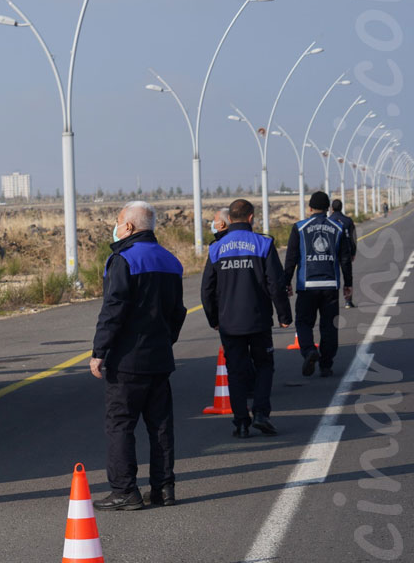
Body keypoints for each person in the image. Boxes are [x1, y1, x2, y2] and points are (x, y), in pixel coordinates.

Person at [90, 201, 186, 510]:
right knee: (159, 426)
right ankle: (163, 488)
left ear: (128, 226)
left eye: (118, 222)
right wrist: (165, 340)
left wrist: (99, 351)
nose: (116, 227)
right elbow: (178, 312)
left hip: (127, 360)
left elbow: (114, 309)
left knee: (120, 424)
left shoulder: (123, 259)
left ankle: (124, 491)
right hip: (159, 357)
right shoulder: (171, 261)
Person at [200, 199, 293, 438]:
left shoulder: (216, 248)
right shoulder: (263, 243)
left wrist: (213, 318)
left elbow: (207, 289)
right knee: (264, 365)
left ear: (230, 219)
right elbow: (276, 282)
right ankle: (261, 413)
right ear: (251, 217)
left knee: (236, 371)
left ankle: (241, 422)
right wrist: (284, 315)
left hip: (229, 322)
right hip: (258, 319)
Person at [283, 191, 353, 378]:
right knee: (329, 326)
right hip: (330, 284)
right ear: (328, 208)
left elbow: (291, 258)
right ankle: (326, 365)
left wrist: (286, 281)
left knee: (304, 322)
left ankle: (308, 351)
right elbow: (345, 258)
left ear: (310, 208)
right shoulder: (338, 228)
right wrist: (348, 283)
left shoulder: (299, 227)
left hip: (307, 285)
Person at [328, 199, 357, 308]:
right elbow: (353, 238)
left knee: (332, 277)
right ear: (342, 207)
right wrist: (353, 252)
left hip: (332, 253)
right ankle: (348, 301)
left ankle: (331, 302)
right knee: (347, 277)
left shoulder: (329, 220)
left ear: (332, 208)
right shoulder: (348, 221)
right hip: (345, 253)